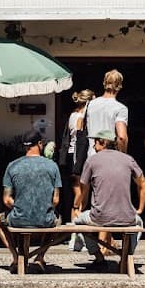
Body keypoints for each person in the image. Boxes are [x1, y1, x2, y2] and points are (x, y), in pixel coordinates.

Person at [73, 129, 145, 268]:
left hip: (99, 217)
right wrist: (140, 209)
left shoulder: (92, 160)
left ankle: (98, 257)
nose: (94, 146)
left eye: (95, 143)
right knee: (139, 223)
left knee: (78, 221)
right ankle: (126, 256)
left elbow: (84, 188)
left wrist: (79, 207)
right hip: (127, 217)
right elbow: (143, 183)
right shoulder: (128, 159)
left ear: (103, 143)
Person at [0, 129, 61, 272]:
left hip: (19, 218)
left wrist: (21, 205)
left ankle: (15, 257)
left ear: (25, 146)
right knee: (58, 219)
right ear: (39, 144)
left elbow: (7, 200)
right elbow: (55, 200)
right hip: (45, 220)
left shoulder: (12, 166)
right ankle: (40, 257)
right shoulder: (52, 166)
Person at [58, 89, 93, 237]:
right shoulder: (80, 117)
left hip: (72, 156)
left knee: (78, 192)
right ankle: (77, 229)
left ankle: (76, 230)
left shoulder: (73, 115)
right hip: (78, 157)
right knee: (81, 193)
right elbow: (80, 140)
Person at [84, 69, 129, 154]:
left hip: (91, 155)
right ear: (119, 86)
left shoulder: (91, 104)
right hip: (109, 157)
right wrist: (123, 156)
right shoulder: (120, 108)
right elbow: (122, 137)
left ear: (104, 83)